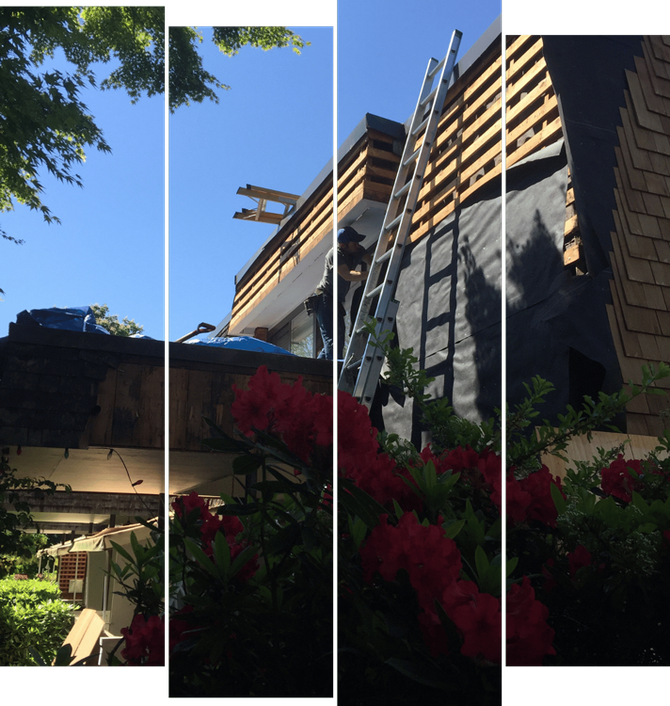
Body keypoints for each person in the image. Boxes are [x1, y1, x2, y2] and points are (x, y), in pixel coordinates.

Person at [314, 226, 372, 361]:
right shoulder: (335, 254)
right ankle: (332, 374)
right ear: (343, 245)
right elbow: (346, 275)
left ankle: (316, 369)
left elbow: (371, 260)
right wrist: (371, 274)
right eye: (354, 243)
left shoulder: (357, 250)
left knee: (338, 338)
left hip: (336, 300)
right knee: (333, 341)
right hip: (324, 298)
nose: (358, 245)